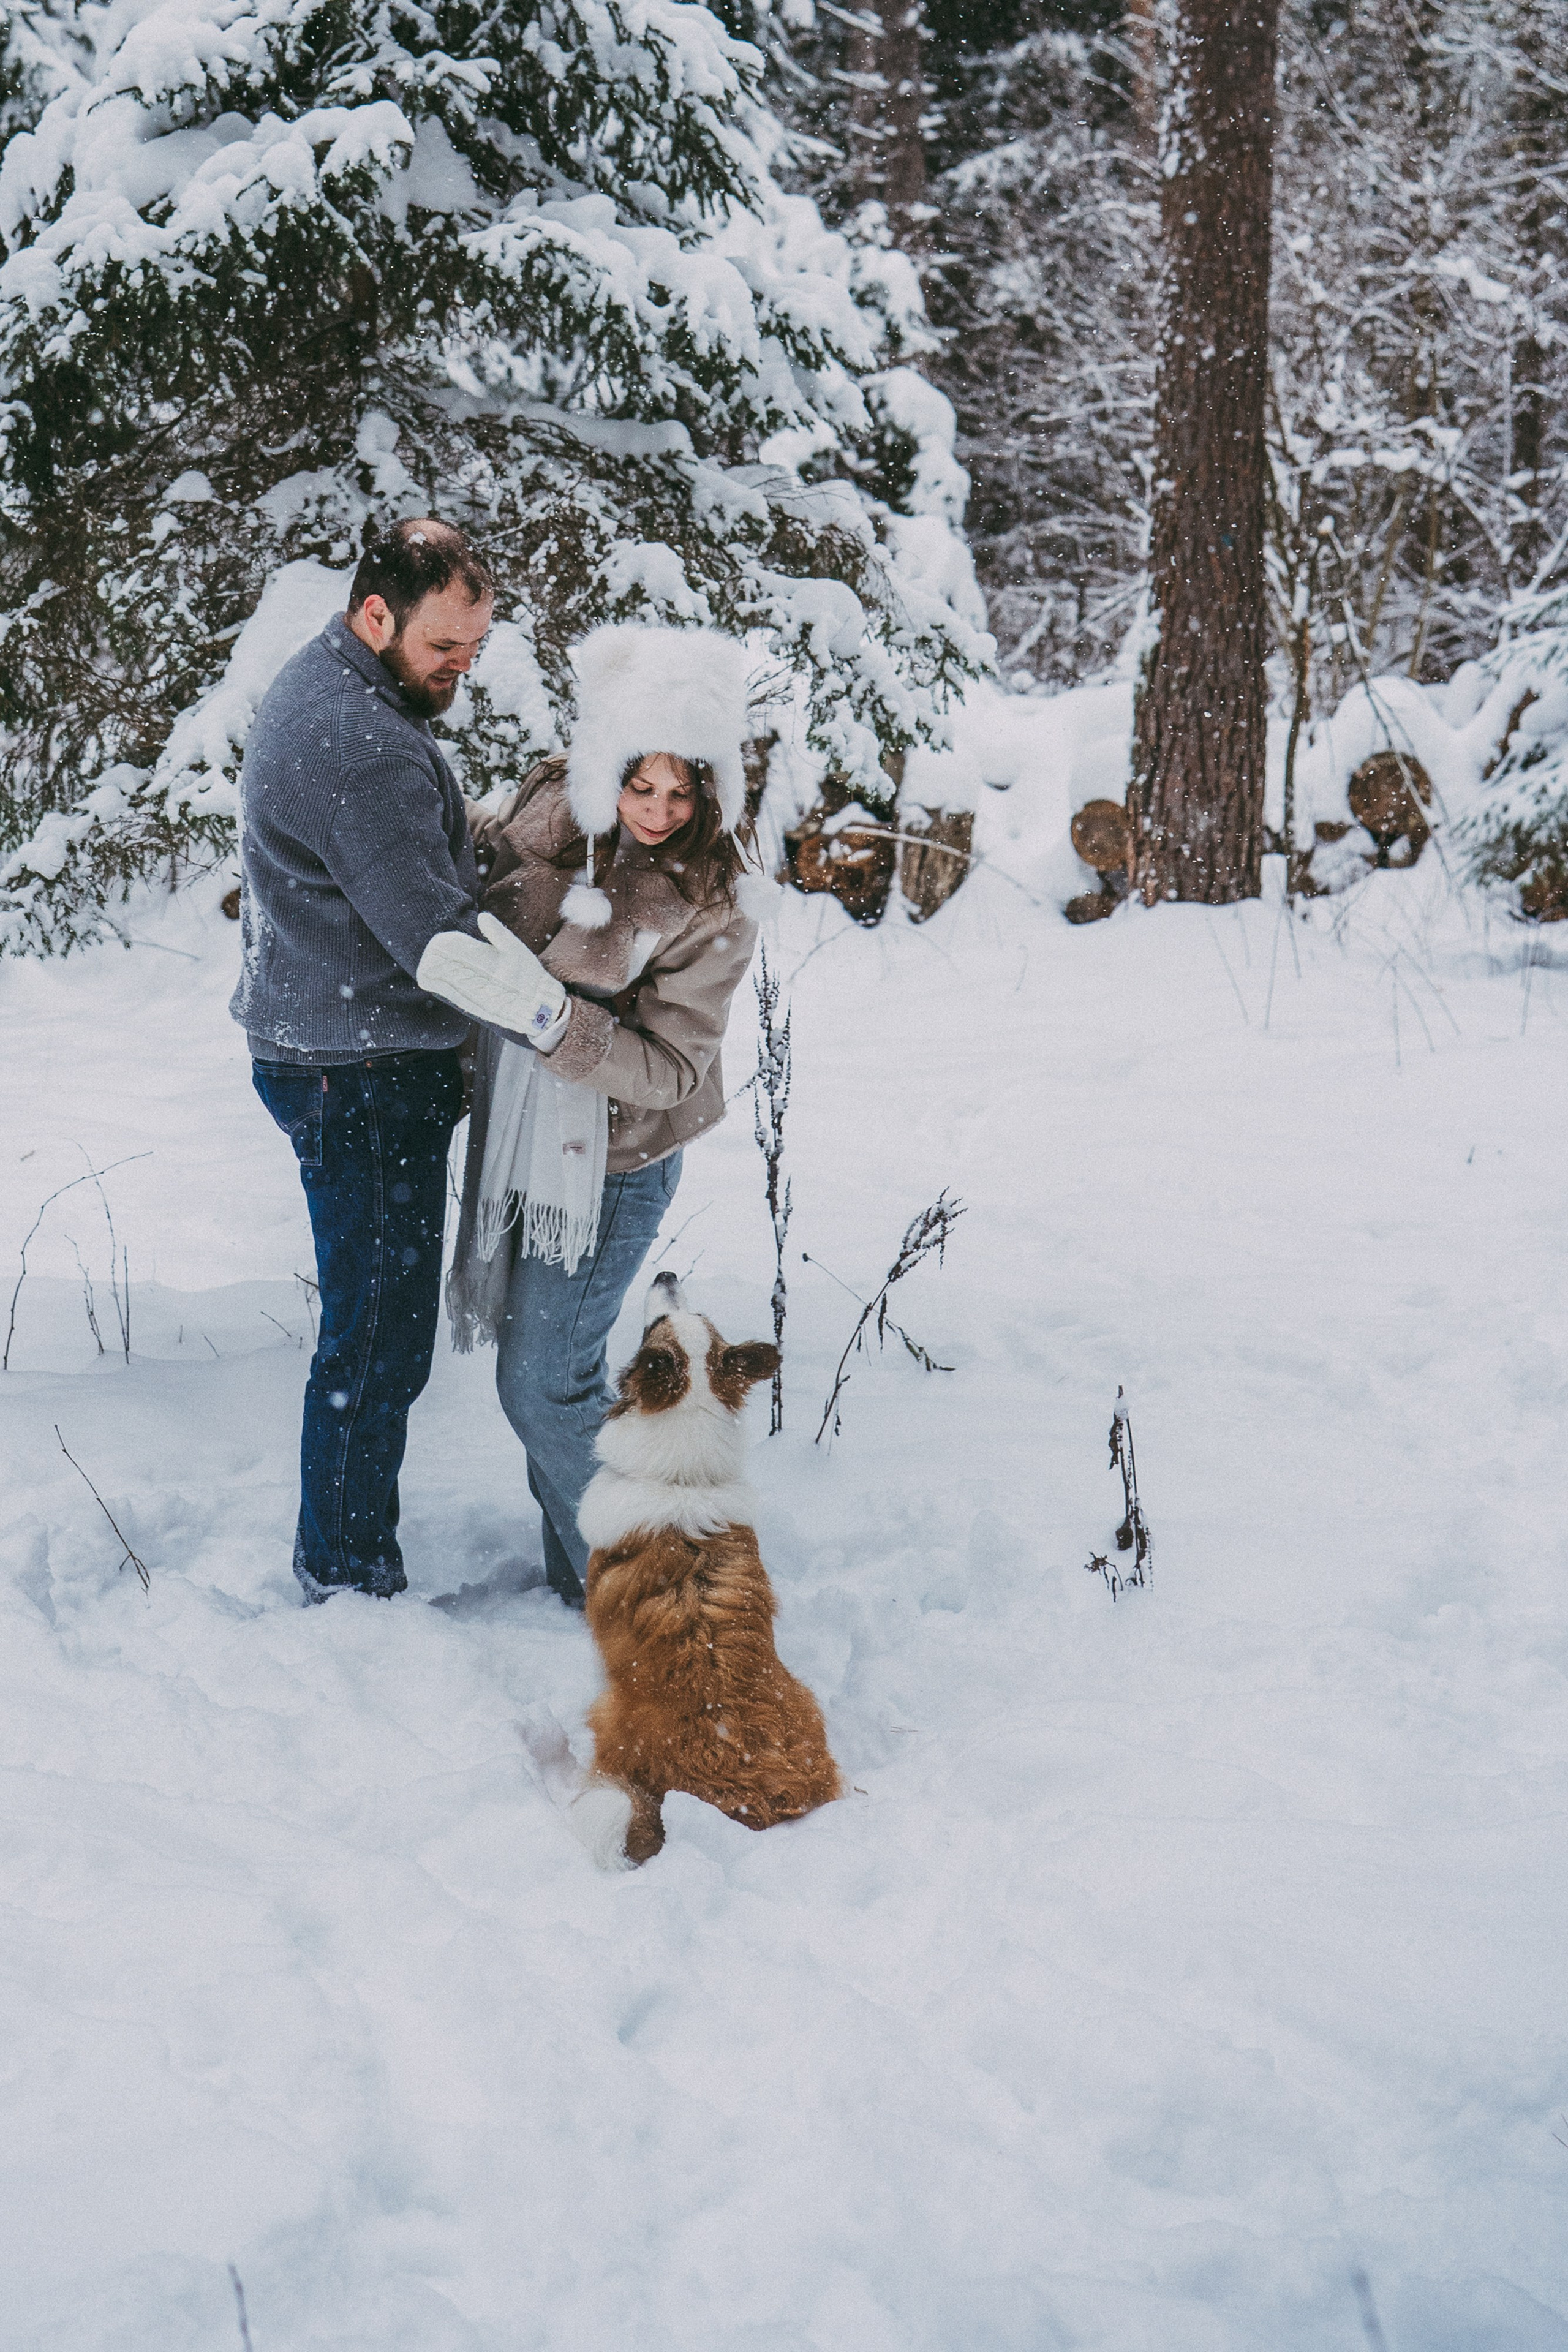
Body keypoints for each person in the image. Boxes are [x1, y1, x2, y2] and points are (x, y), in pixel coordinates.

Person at [417, 622, 773, 1608]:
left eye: (681, 792)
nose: (657, 811)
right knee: (554, 1385)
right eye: (637, 784)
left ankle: (664, 1589)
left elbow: (670, 1066)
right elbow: (481, 860)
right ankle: (584, 1583)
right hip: (525, 1138)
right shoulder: (551, 810)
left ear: (712, 793)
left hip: (615, 1161)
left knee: (542, 1385)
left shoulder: (714, 902)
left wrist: (549, 1019)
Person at [232, 518, 496, 1604]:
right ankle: (345, 1577)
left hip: (332, 1050)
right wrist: (571, 1024)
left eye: (474, 649)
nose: (461, 670)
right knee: (379, 1342)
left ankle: (344, 1551)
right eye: (445, 647)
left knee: (371, 1325)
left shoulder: (336, 685)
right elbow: (443, 946)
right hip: (365, 1074)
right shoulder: (364, 747)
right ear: (375, 615)